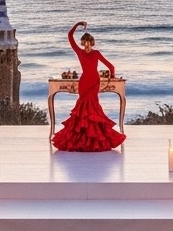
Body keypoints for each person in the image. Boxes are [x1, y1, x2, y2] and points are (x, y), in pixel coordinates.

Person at [52, 22, 125, 152]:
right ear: (82, 44)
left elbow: (111, 66)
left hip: (94, 83)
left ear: (92, 43)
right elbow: (69, 36)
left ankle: (94, 140)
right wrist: (78, 24)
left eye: (88, 43)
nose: (86, 46)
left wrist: (112, 76)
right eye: (84, 43)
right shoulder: (79, 52)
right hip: (84, 83)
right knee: (82, 111)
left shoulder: (96, 53)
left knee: (93, 110)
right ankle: (82, 140)